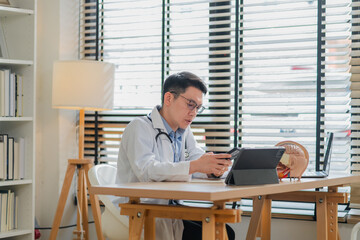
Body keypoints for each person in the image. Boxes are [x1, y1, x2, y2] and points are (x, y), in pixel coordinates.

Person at [116, 71, 235, 240]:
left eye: (198, 108)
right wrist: (196, 165)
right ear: (169, 99)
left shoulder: (183, 130)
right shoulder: (139, 127)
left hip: (171, 212)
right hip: (141, 212)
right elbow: (147, 171)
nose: (194, 113)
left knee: (225, 232)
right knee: (218, 234)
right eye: (190, 104)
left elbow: (196, 157)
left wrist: (212, 169)